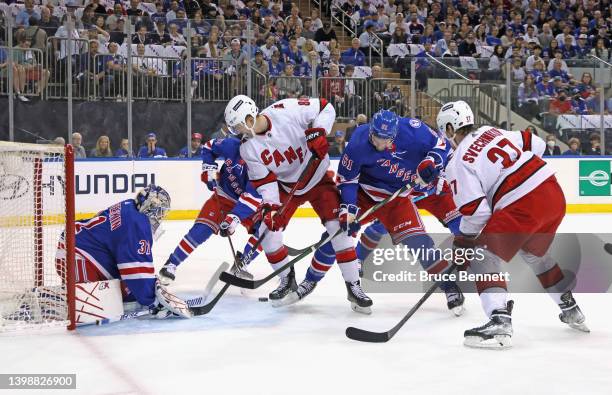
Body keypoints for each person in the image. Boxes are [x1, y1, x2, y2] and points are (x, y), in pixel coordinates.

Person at [439, 101, 588, 349]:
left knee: (482, 255)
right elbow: (536, 144)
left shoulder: (457, 163)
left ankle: (499, 319)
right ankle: (570, 308)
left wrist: (462, 244)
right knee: (535, 254)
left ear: (451, 128)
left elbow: (476, 214)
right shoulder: (492, 131)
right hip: (551, 193)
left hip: (521, 205)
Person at [224, 95, 372, 313]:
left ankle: (353, 286)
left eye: (238, 127)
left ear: (249, 117)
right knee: (267, 230)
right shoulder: (248, 148)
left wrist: (320, 131)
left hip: (319, 178)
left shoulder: (285, 110)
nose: (238, 133)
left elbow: (325, 107)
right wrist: (272, 207)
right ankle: (287, 279)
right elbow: (265, 182)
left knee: (339, 229)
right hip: (287, 187)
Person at [334, 109, 465, 315]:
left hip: (431, 191)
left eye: (384, 139)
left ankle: (450, 285)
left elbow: (444, 155)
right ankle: (354, 262)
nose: (379, 143)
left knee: (425, 242)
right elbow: (348, 179)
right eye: (376, 137)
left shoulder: (418, 134)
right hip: (402, 191)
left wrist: (438, 175)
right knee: (374, 228)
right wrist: (348, 209)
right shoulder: (364, 143)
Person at [55, 185, 190, 318]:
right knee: (88, 307)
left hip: (77, 244)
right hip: (77, 254)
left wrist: (148, 288)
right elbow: (136, 273)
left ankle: (69, 294)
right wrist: (154, 302)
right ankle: (64, 299)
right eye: (160, 212)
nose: (160, 217)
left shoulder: (128, 205)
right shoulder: (137, 224)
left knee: (129, 293)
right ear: (151, 208)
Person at [159, 135, 264, 284]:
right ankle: (171, 264)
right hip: (222, 196)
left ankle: (243, 261)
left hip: (247, 205)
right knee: (201, 229)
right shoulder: (231, 144)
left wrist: (233, 219)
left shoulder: (262, 166)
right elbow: (208, 146)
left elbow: (251, 198)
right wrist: (209, 168)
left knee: (267, 228)